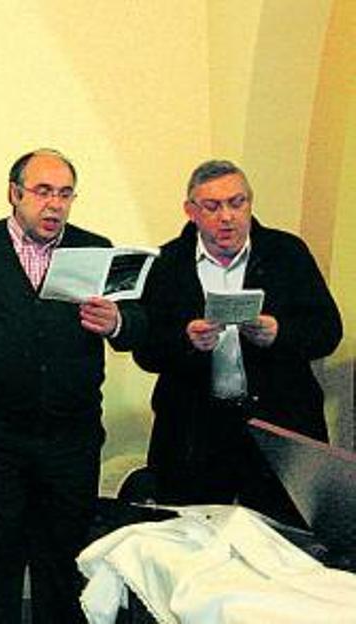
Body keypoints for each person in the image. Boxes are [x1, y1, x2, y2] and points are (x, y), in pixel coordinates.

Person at [0, 149, 145, 624]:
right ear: (15, 193)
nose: (55, 205)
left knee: (65, 569)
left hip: (70, 442)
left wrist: (118, 322)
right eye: (43, 192)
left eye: (65, 194)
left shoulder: (95, 249)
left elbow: (140, 325)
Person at [133, 159, 342, 523]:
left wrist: (279, 333)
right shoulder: (167, 262)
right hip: (194, 430)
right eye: (212, 207)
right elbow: (145, 350)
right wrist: (186, 341)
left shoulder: (286, 253)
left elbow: (327, 330)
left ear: (250, 203)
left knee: (285, 542)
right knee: (191, 540)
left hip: (278, 427)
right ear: (191, 212)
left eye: (237, 202)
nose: (227, 217)